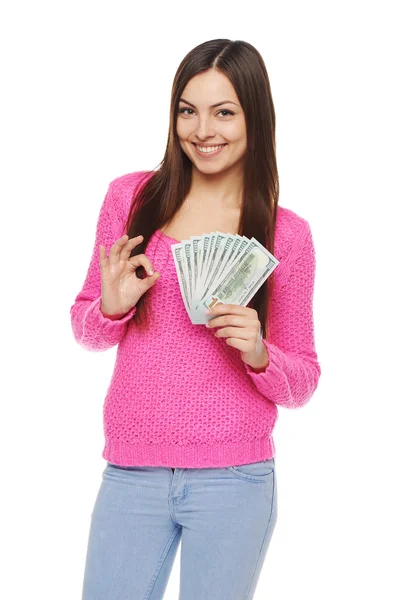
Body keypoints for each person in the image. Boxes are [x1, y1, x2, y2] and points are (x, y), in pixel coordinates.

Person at [70, 38, 321, 600]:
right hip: (131, 473)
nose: (203, 129)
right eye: (188, 110)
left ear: (255, 116)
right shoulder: (131, 199)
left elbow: (303, 378)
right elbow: (84, 326)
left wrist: (260, 353)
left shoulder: (289, 235)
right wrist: (111, 308)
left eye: (224, 111)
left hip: (234, 481)